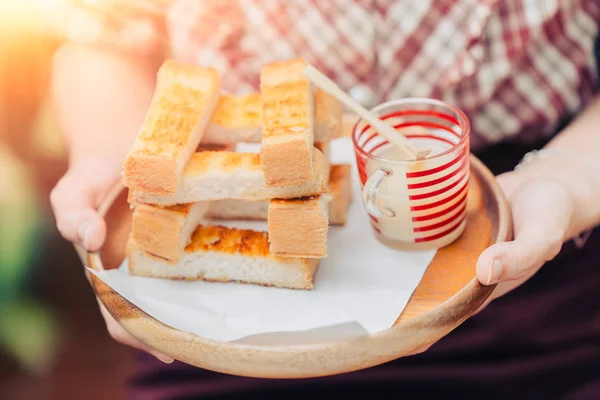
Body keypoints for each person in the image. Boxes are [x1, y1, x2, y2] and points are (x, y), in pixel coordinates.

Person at [49, 1, 600, 399]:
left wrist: (569, 176)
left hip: (526, 288)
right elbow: (105, 38)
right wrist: (108, 156)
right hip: (220, 339)